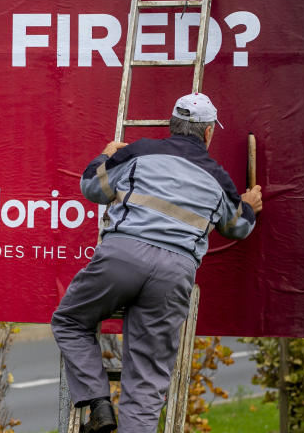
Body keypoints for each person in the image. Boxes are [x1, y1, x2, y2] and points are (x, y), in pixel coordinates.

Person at [51, 93, 263, 433]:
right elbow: (238, 227)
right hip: (174, 273)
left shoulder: (140, 151)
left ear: (172, 125)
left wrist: (104, 157)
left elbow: (92, 188)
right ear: (208, 133)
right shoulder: (218, 178)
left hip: (122, 256)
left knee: (70, 321)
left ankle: (98, 404)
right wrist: (250, 204)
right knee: (146, 386)